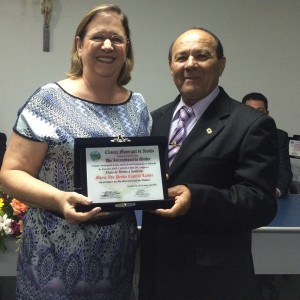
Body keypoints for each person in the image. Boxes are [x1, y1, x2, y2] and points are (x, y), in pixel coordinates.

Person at [0, 4, 152, 300]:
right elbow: (10, 174)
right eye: (98, 37)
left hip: (116, 256)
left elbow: (135, 169)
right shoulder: (48, 100)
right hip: (54, 254)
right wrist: (59, 198)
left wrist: (151, 181)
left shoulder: (138, 106)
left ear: (127, 49)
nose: (108, 45)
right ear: (80, 45)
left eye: (117, 39)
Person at [138, 27, 278, 300]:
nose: (190, 64)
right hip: (156, 274)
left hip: (214, 281)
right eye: (181, 57)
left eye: (202, 55)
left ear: (221, 64)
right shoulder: (152, 120)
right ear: (171, 67)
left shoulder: (251, 124)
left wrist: (196, 198)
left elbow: (261, 202)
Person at [242, 92, 293, 198]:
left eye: (259, 112)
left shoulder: (279, 136)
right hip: (238, 194)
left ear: (267, 114)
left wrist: (276, 191)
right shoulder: (231, 134)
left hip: (268, 194)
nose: (254, 116)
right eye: (249, 111)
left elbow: (284, 170)